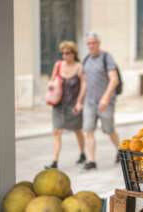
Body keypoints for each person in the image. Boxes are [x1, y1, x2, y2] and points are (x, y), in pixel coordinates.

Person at [46, 41, 87, 169]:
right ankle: (54, 161)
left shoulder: (79, 67)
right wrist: (50, 84)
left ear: (74, 53)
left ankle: (82, 154)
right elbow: (52, 80)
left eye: (67, 53)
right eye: (62, 53)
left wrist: (80, 102)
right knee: (56, 131)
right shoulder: (58, 65)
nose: (64, 56)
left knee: (77, 130)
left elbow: (84, 85)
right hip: (58, 105)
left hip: (73, 105)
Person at [82, 32, 120, 170]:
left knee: (109, 130)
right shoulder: (86, 59)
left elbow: (114, 80)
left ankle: (120, 150)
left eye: (94, 43)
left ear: (98, 43)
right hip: (90, 102)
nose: (91, 45)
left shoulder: (106, 57)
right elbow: (84, 82)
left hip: (105, 102)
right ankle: (91, 160)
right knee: (88, 130)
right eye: (89, 43)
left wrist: (105, 97)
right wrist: (79, 101)